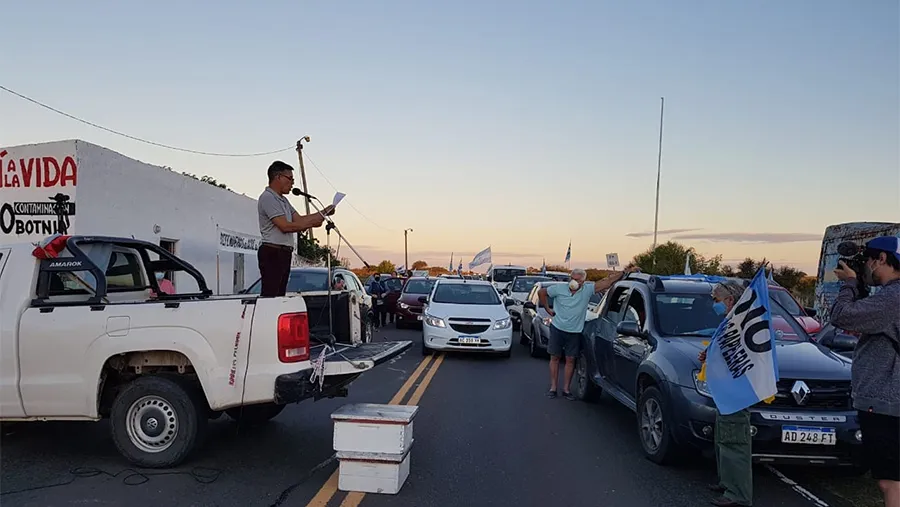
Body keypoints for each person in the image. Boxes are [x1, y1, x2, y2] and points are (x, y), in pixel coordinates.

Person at [830, 236, 900, 507]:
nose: (865, 267)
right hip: (888, 399)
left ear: (881, 259)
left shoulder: (892, 298)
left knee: (890, 480)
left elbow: (842, 316)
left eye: (867, 260)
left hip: (887, 400)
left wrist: (848, 284)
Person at [698, 280, 753, 507]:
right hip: (726, 392)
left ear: (730, 300)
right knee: (724, 438)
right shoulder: (731, 321)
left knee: (734, 441)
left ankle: (738, 493)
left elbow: (739, 357)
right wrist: (708, 354)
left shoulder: (741, 324)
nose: (715, 305)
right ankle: (728, 481)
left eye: (717, 300)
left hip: (736, 393)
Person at [537, 267, 628, 400]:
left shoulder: (587, 290)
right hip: (557, 328)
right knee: (555, 357)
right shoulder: (558, 289)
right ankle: (553, 388)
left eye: (577, 280)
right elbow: (541, 292)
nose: (574, 282)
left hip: (574, 331)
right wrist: (547, 308)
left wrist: (624, 273)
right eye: (572, 279)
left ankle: (566, 389)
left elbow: (606, 283)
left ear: (583, 282)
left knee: (570, 359)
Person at [257, 161, 334, 297]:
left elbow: (299, 220)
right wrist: (311, 223)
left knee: (280, 295)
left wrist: (324, 212)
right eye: (290, 178)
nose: (292, 183)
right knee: (271, 296)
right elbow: (285, 226)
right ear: (278, 177)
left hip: (283, 253)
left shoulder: (284, 200)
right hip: (272, 252)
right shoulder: (268, 198)